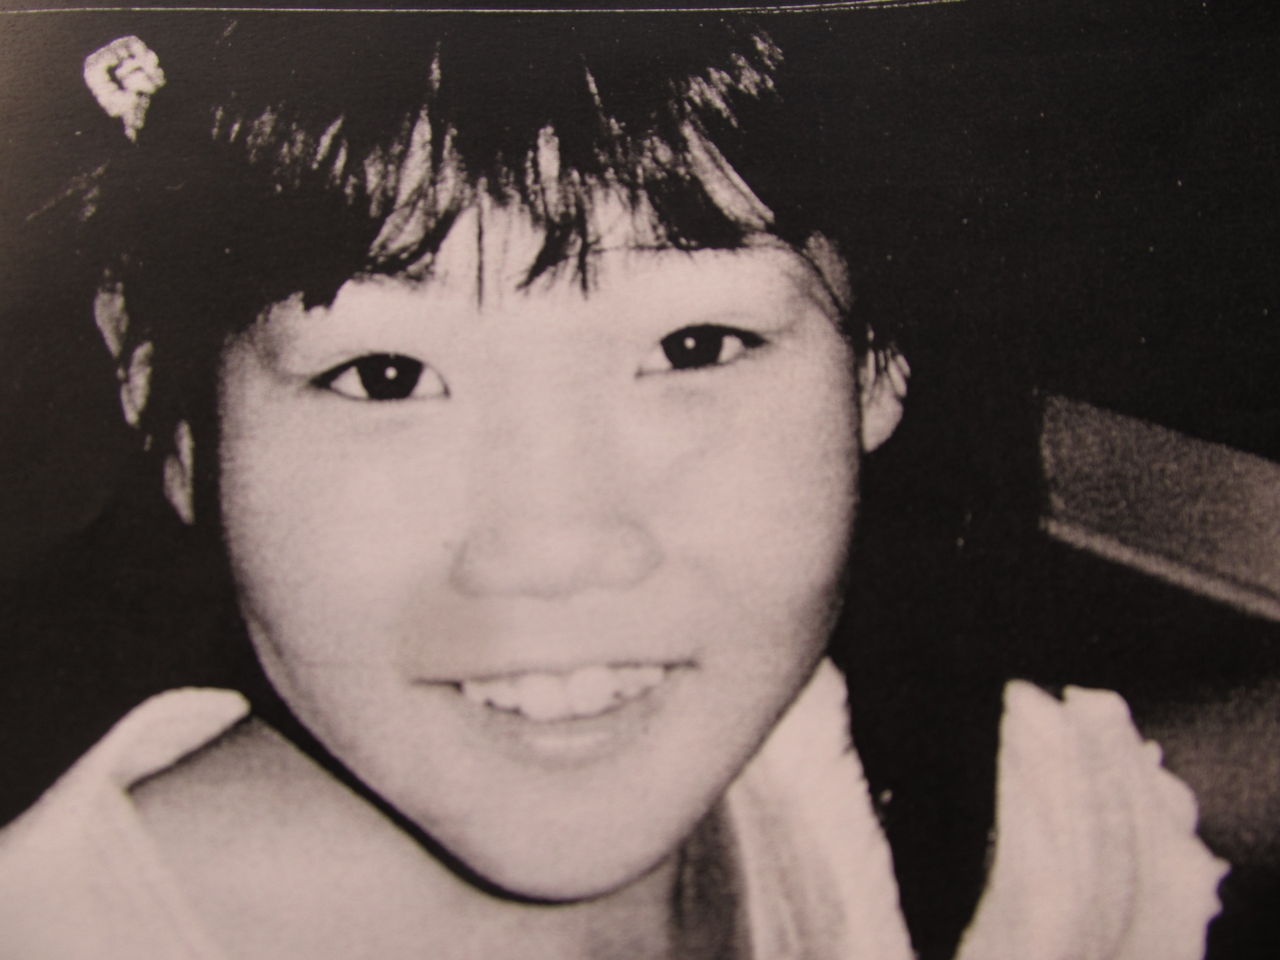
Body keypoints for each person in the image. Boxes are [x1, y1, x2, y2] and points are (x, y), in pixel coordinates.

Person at [0, 13, 1227, 960]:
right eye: (384, 375)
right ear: (167, 409)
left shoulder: (925, 808)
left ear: (875, 362)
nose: (553, 545)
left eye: (692, 347)